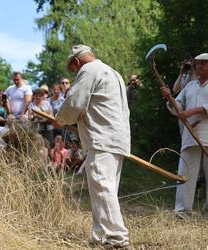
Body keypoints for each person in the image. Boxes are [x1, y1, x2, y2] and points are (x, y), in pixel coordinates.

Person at [53, 44, 130, 248]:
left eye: (73, 69)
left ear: (77, 62)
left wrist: (59, 119)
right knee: (104, 189)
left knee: (102, 188)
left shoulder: (89, 70)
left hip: (102, 138)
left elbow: (75, 103)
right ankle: (100, 236)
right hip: (116, 138)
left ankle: (117, 238)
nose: (74, 72)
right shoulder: (114, 73)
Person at [161, 53, 208, 219]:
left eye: (204, 63)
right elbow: (177, 108)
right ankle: (182, 212)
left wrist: (192, 111)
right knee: (185, 175)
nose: (199, 66)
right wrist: (169, 98)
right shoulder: (189, 86)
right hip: (190, 136)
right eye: (197, 64)